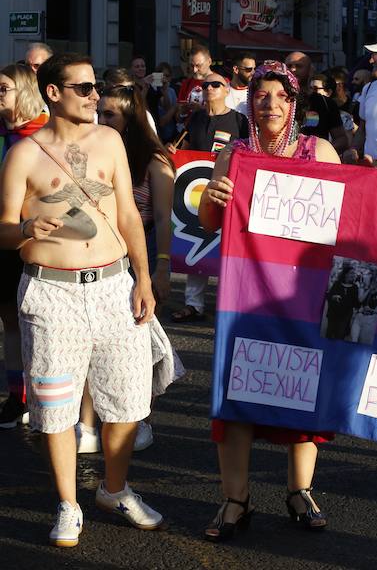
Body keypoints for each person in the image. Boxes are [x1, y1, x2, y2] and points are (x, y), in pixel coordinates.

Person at [197, 61, 377, 542]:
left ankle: (300, 491)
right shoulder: (236, 155)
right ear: (251, 103)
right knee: (238, 393)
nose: (270, 105)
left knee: (307, 388)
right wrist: (215, 195)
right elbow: (207, 222)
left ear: (295, 104)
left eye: (280, 97)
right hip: (249, 296)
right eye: (261, 96)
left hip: (308, 294)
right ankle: (235, 500)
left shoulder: (320, 150)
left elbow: (357, 212)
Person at [0, 52, 163, 546]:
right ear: (54, 93)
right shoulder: (23, 154)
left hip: (115, 286)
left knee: (129, 403)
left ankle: (114, 489)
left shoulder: (110, 140)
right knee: (55, 408)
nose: (97, 96)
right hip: (52, 293)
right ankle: (69, 504)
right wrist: (26, 228)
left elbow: (129, 216)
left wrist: (145, 277)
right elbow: (4, 229)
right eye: (85, 88)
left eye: (95, 88)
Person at [83, 84, 176, 453]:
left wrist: (162, 267)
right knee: (94, 341)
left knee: (138, 347)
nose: (100, 119)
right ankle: (88, 424)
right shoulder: (94, 150)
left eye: (109, 114)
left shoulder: (154, 160)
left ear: (130, 120)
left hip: (144, 250)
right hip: (102, 253)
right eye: (99, 112)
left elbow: (165, 219)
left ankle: (140, 419)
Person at [169, 72, 248, 323]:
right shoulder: (196, 118)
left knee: (228, 247)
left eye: (216, 84)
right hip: (198, 191)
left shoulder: (240, 120)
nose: (209, 88)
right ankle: (194, 304)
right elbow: (186, 146)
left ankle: (230, 305)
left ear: (227, 90)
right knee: (197, 244)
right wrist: (175, 152)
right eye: (206, 85)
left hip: (229, 190)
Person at [0, 63, 49, 429]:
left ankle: (44, 398)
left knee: (36, 323)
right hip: (5, 239)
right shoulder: (7, 133)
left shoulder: (43, 136)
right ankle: (18, 396)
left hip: (35, 240)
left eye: (4, 89)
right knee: (10, 323)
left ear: (24, 91)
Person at [287, 53, 349, 154]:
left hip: (313, 164)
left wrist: (319, 152)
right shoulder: (276, 102)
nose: (293, 70)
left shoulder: (325, 103)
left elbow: (341, 139)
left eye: (299, 66)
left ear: (310, 71)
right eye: (289, 66)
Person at [224, 52, 256, 117]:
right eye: (249, 69)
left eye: (254, 69)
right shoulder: (222, 91)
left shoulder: (256, 92)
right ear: (236, 69)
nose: (253, 73)